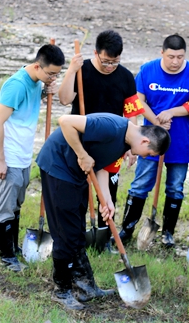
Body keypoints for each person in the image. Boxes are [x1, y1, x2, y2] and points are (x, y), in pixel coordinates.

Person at [36, 113, 170, 310]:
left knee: (77, 229)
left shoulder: (126, 142)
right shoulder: (111, 127)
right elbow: (65, 121)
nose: (143, 157)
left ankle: (87, 286)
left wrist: (105, 201)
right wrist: (82, 154)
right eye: (148, 153)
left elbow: (103, 169)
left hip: (76, 173)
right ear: (145, 140)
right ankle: (61, 290)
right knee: (66, 233)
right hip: (58, 167)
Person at [57, 30, 144, 250]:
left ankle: (103, 240)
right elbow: (65, 99)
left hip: (112, 145)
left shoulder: (124, 76)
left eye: (114, 62)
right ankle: (76, 237)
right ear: (96, 53)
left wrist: (131, 147)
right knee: (77, 192)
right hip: (82, 141)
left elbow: (132, 112)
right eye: (105, 61)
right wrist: (71, 71)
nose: (109, 67)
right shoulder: (82, 70)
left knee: (108, 194)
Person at [0, 44, 65, 272]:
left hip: (22, 157)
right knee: (4, 208)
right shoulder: (16, 85)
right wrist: (0, 159)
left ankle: (14, 248)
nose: (52, 78)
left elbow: (35, 95)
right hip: (5, 158)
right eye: (50, 74)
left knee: (16, 205)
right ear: (37, 65)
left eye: (57, 74)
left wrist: (47, 88)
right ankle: (7, 258)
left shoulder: (36, 81)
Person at [117, 34, 189, 248]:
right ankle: (126, 229)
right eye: (171, 56)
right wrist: (156, 120)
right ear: (162, 53)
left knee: (175, 187)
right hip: (150, 140)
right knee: (141, 184)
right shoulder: (148, 70)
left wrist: (172, 112)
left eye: (180, 57)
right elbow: (138, 100)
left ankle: (168, 233)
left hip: (180, 139)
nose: (175, 62)